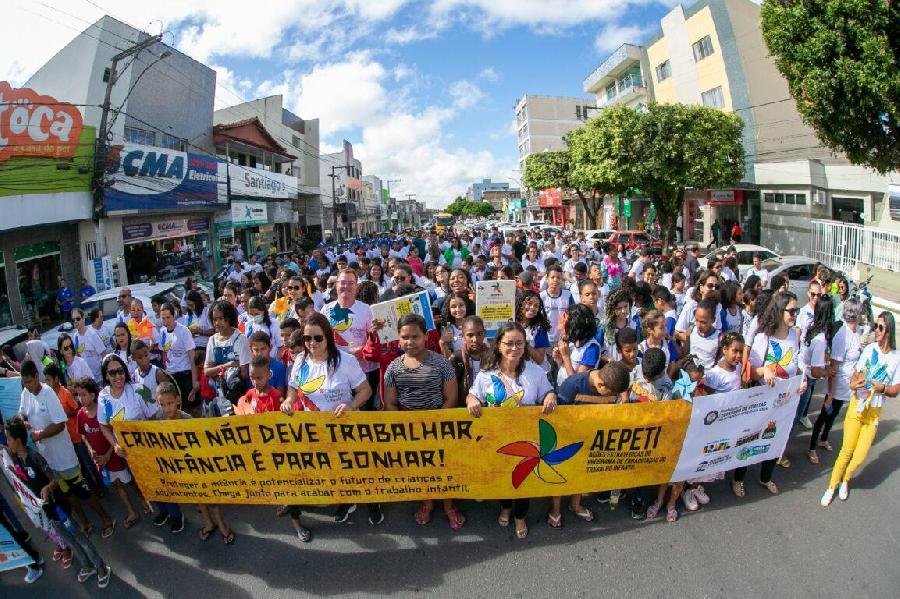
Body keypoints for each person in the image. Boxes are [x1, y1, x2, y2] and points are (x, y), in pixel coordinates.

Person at [281, 313, 378, 529]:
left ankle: (373, 503)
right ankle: (346, 501)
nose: (312, 343)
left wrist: (351, 406)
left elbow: (366, 390)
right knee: (335, 470)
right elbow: (294, 389)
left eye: (318, 338)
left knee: (357, 470)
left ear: (328, 337)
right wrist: (288, 401)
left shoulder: (346, 361)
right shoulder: (300, 360)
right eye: (307, 338)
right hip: (316, 431)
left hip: (346, 429)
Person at [466, 322, 556, 540]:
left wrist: (550, 396)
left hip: (527, 440)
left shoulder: (536, 372)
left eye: (519, 343)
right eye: (509, 343)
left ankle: (520, 516)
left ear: (525, 346)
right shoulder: (486, 375)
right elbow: (472, 394)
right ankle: (505, 507)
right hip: (496, 439)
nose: (514, 348)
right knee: (501, 478)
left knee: (522, 479)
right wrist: (471, 401)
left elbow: (548, 391)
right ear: (498, 345)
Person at [4, 416, 112, 587]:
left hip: (59, 508)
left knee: (79, 538)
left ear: (18, 440)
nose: (6, 441)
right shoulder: (19, 461)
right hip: (49, 512)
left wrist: (48, 488)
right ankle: (87, 566)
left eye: (8, 438)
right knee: (69, 541)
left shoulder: (34, 457)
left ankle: (101, 567)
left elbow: (54, 479)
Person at [383, 314, 463, 529]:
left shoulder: (442, 364)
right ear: (398, 339)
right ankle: (427, 503)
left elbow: (451, 398)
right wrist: (406, 427)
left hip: (439, 424)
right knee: (421, 469)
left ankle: (448, 506)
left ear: (426, 336)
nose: (410, 342)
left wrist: (433, 423)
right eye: (405, 337)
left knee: (444, 468)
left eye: (415, 336)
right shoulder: (393, 368)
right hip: (409, 429)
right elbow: (390, 403)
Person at [821, 312, 900, 506]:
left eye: (880, 327)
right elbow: (855, 375)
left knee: (860, 456)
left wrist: (882, 388)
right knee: (846, 451)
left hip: (873, 412)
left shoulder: (896, 358)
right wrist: (854, 383)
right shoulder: (870, 349)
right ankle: (832, 486)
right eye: (875, 326)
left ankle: (846, 479)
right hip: (858, 406)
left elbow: (895, 390)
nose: (876, 331)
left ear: (889, 329)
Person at [736, 291, 806, 497]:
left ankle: (765, 477)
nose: (795, 315)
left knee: (775, 440)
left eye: (797, 311)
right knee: (751, 439)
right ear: (779, 311)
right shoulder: (762, 338)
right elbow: (750, 373)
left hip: (785, 402)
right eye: (791, 311)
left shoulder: (794, 335)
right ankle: (738, 478)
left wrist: (802, 381)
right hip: (762, 402)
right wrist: (764, 371)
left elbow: (796, 364)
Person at [72, 377, 142, 530]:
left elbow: (113, 434)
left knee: (130, 480)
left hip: (116, 455)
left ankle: (145, 500)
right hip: (102, 461)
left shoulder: (104, 411)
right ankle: (131, 511)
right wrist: (90, 449)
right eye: (78, 395)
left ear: (92, 395)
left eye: (83, 394)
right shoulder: (80, 415)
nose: (80, 398)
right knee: (117, 485)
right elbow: (83, 434)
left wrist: (110, 453)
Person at [808, 299, 862, 465]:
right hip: (837, 384)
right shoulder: (842, 335)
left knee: (835, 414)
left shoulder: (857, 331)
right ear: (856, 314)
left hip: (848, 385)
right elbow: (833, 366)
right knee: (825, 414)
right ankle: (812, 448)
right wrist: (830, 394)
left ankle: (824, 439)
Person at [320, 270, 378, 409]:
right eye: (343, 283)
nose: (346, 286)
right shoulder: (326, 310)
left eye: (351, 283)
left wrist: (363, 351)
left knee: (363, 412)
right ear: (336, 286)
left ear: (357, 287)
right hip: (335, 372)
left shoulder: (367, 310)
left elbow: (375, 339)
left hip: (362, 371)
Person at [146, 382, 190, 533]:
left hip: (182, 462)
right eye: (162, 404)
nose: (167, 408)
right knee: (160, 487)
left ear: (177, 400)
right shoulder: (158, 417)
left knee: (172, 491)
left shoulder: (187, 420)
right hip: (164, 462)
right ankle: (164, 511)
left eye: (170, 403)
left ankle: (177, 516)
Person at [154, 302, 198, 413]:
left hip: (185, 372)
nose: (166, 321)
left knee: (189, 407)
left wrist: (194, 380)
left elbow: (192, 356)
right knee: (176, 408)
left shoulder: (183, 331)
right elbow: (164, 351)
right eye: (163, 318)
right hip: (171, 374)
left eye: (168, 317)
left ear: (174, 316)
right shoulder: (163, 331)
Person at [70, 308, 107, 382]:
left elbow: (104, 354)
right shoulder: (75, 336)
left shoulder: (92, 334)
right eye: (73, 320)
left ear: (83, 318)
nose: (75, 322)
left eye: (78, 318)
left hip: (98, 379)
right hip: (85, 380)